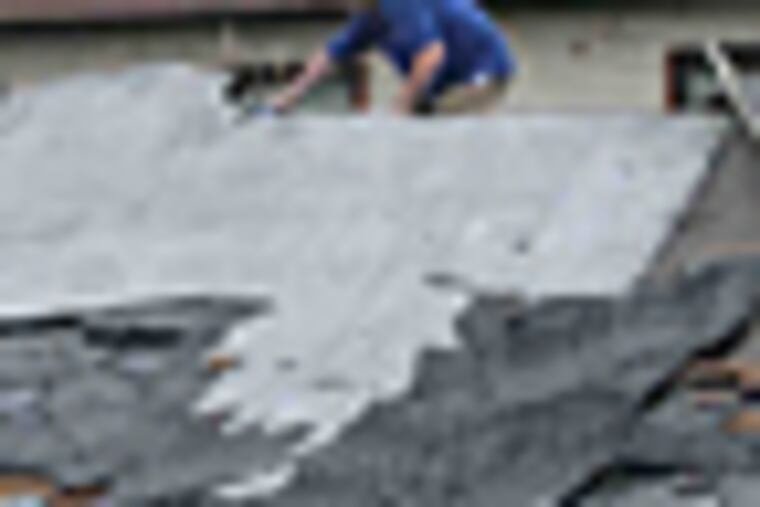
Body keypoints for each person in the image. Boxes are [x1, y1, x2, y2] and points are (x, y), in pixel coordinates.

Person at [268, 0, 517, 115]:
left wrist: (402, 104)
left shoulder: (398, 3)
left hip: (482, 74)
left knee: (439, 127)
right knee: (418, 122)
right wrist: (291, 95)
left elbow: (431, 55)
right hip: (446, 83)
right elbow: (330, 55)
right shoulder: (369, 17)